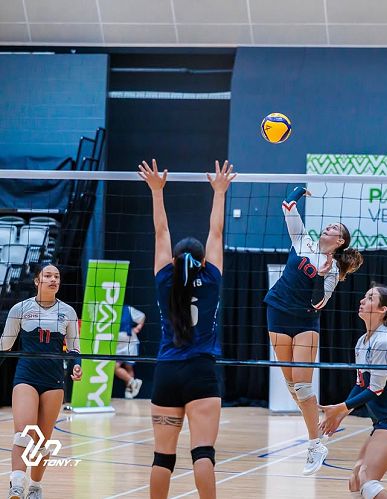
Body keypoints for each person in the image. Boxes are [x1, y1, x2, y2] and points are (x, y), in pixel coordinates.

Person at [138, 158, 235, 499]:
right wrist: (219, 192)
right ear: (203, 261)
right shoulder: (212, 279)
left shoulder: (164, 278)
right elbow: (217, 233)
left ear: (174, 261)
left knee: (162, 457)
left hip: (167, 371)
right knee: (202, 453)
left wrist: (156, 191)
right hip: (201, 371)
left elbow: (161, 232)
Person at [264, 186, 363, 475]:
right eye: (328, 225)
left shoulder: (332, 270)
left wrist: (320, 277)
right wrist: (298, 190)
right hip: (277, 311)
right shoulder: (303, 241)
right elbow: (287, 206)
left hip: (305, 322)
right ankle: (317, 412)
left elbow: (318, 303)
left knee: (303, 386)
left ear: (339, 241)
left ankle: (315, 445)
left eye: (334, 228)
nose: (328, 227)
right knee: (292, 386)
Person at [319, 283, 387, 499]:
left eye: (370, 298)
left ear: (383, 310)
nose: (362, 301)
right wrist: (341, 412)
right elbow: (361, 384)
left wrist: (341, 407)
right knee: (355, 479)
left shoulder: (384, 342)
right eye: (364, 297)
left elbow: (376, 389)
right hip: (382, 422)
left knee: (367, 480)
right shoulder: (362, 342)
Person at [0, 264, 82, 499]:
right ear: (37, 281)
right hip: (26, 376)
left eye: (56, 276)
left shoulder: (67, 312)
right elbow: (5, 345)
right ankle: (17, 484)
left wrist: (76, 366)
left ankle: (35, 487)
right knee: (23, 434)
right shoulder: (20, 309)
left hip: (53, 379)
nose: (53, 279)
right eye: (48, 276)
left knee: (43, 442)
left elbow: (74, 348)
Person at [114, 304, 146, 399]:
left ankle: (129, 390)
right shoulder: (107, 310)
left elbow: (142, 316)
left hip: (130, 342)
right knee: (115, 367)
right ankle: (133, 382)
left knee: (129, 367)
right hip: (116, 344)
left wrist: (138, 327)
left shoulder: (128, 309)